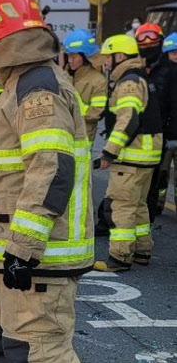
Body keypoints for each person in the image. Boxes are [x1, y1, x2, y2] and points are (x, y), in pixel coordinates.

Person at [0, 0, 93, 362]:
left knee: (40, 352)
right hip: (17, 253)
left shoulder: (36, 87)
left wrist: (24, 249)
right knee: (9, 348)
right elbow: (12, 168)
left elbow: (51, 168)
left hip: (38, 258)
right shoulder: (17, 85)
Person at [93, 35, 162, 272]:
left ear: (119, 56)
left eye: (108, 57)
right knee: (139, 204)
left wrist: (109, 152)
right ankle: (143, 251)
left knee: (121, 206)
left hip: (131, 156)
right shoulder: (141, 77)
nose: (106, 63)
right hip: (147, 155)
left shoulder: (127, 82)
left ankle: (120, 257)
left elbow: (127, 120)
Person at [135, 23, 169, 221]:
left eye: (152, 39)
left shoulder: (169, 70)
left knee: (158, 176)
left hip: (163, 133)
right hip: (140, 135)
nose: (148, 44)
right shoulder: (139, 70)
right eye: (143, 40)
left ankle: (152, 212)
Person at [62, 29, 108, 142]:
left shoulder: (98, 81)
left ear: (84, 57)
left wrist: (72, 106)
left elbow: (96, 112)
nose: (70, 60)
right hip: (62, 136)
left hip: (83, 139)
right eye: (68, 56)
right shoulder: (63, 76)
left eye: (73, 56)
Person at [155, 33, 177, 213]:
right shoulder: (162, 74)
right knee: (161, 173)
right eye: (173, 52)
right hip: (166, 134)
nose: (176, 55)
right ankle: (158, 203)